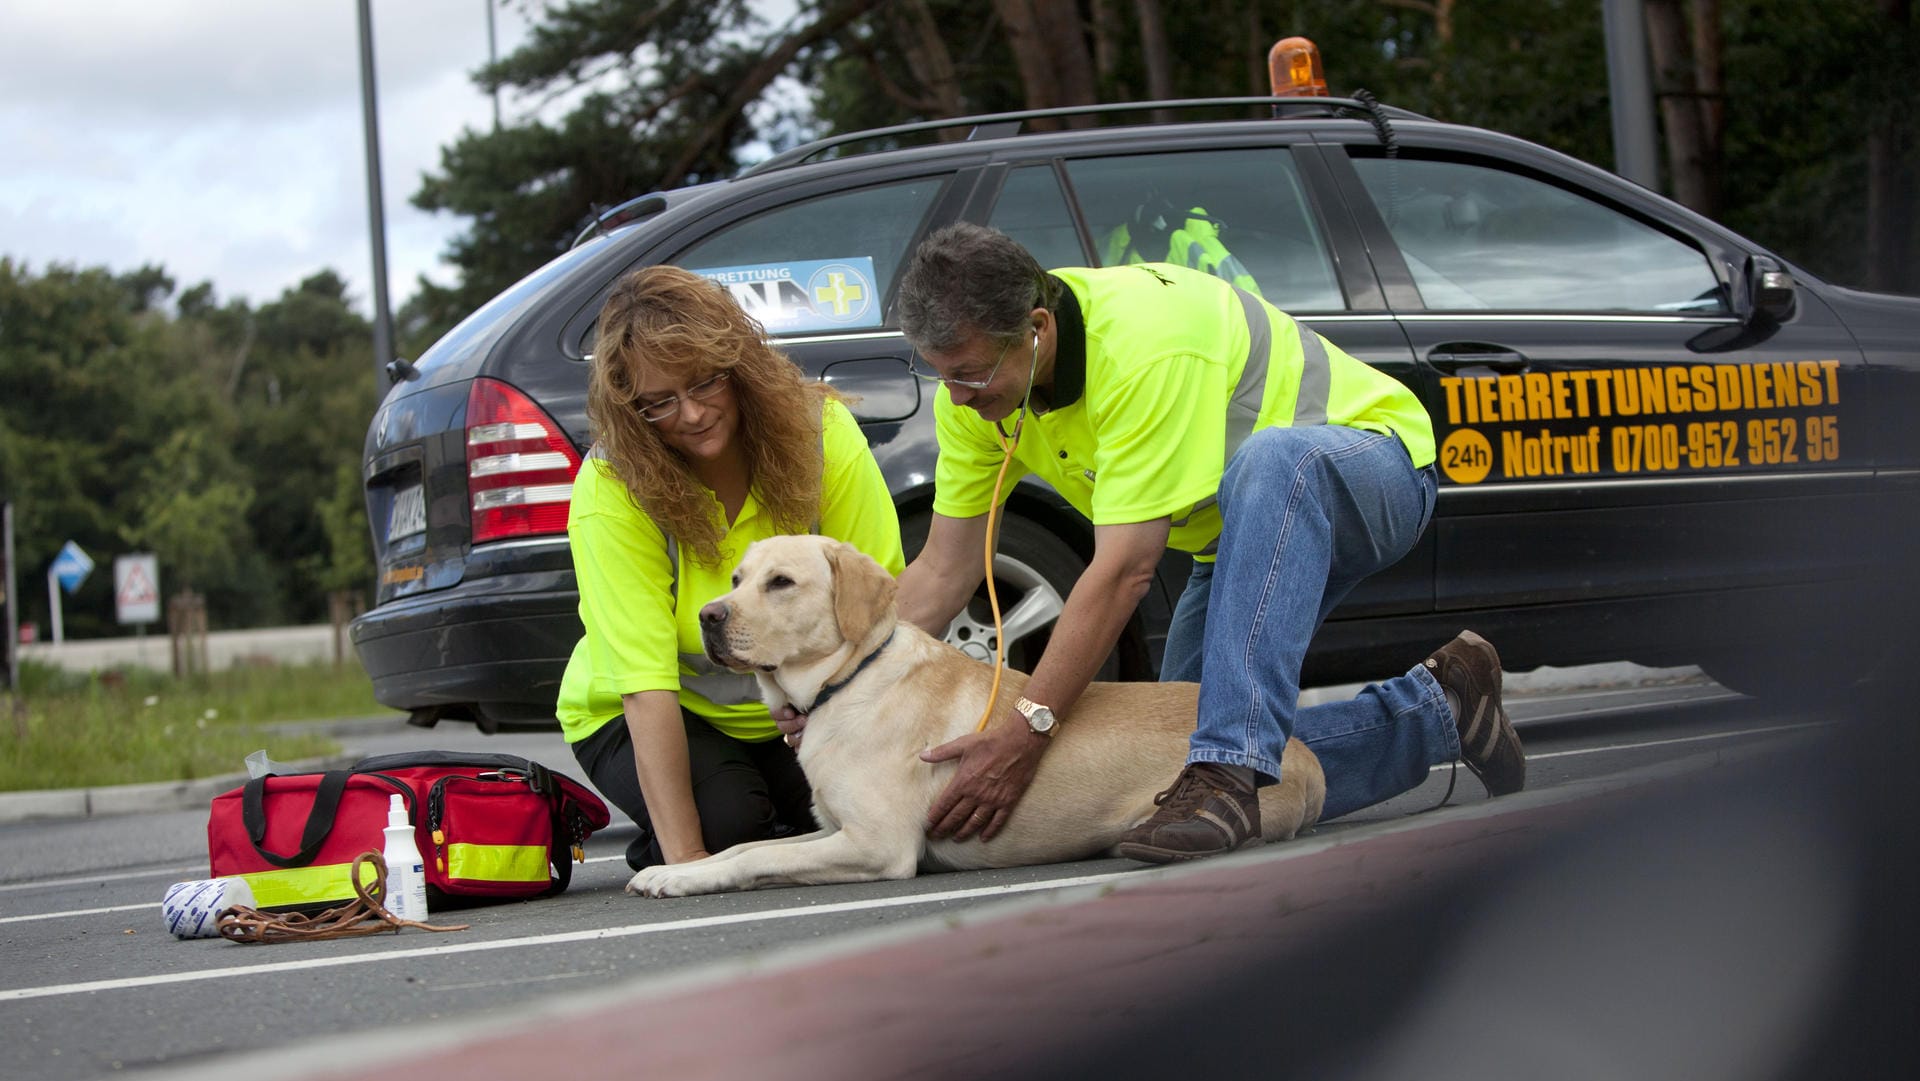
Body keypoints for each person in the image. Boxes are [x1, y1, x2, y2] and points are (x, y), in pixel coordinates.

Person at [868, 223, 1523, 864]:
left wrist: (1028, 728)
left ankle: (1230, 769)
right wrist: (840, 675)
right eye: (942, 375)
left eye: (971, 374)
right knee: (1163, 766)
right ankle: (1440, 708)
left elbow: (1125, 569)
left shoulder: (1143, 346)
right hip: (1241, 541)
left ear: (1037, 329)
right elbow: (942, 570)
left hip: (1371, 468)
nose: (954, 396)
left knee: (1271, 463)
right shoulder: (975, 402)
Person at [556, 265, 903, 871]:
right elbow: (645, 684)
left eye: (703, 384)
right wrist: (688, 863)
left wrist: (830, 705)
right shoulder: (613, 486)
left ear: (740, 367)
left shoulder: (821, 433)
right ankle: (687, 835)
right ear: (630, 408)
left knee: (867, 814)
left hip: (800, 706)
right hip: (650, 715)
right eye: (659, 402)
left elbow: (878, 609)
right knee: (728, 826)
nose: (690, 414)